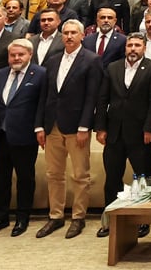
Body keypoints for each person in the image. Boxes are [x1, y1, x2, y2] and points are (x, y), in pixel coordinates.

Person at [34, 19, 102, 239]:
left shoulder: (92, 60)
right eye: (66, 33)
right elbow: (44, 96)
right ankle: (56, 216)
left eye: (74, 33)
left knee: (80, 175)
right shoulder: (52, 61)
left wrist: (85, 126)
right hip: (52, 125)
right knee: (54, 174)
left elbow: (92, 97)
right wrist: (39, 126)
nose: (69, 36)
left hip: (77, 127)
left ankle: (78, 217)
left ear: (83, 36)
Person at [95, 33, 151, 238]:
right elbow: (102, 99)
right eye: (130, 45)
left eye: (137, 45)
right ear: (125, 48)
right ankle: (110, 219)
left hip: (140, 134)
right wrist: (100, 127)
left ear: (144, 48)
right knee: (112, 179)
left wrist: (150, 129)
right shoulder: (113, 67)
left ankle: (144, 220)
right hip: (114, 134)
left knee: (143, 178)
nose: (133, 49)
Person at [0, 38, 44, 238]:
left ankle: (22, 217)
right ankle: (0, 217)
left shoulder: (40, 74)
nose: (16, 58)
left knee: (25, 178)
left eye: (21, 54)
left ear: (29, 55)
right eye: (13, 55)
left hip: (24, 135)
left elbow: (42, 105)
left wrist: (39, 128)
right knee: (0, 179)